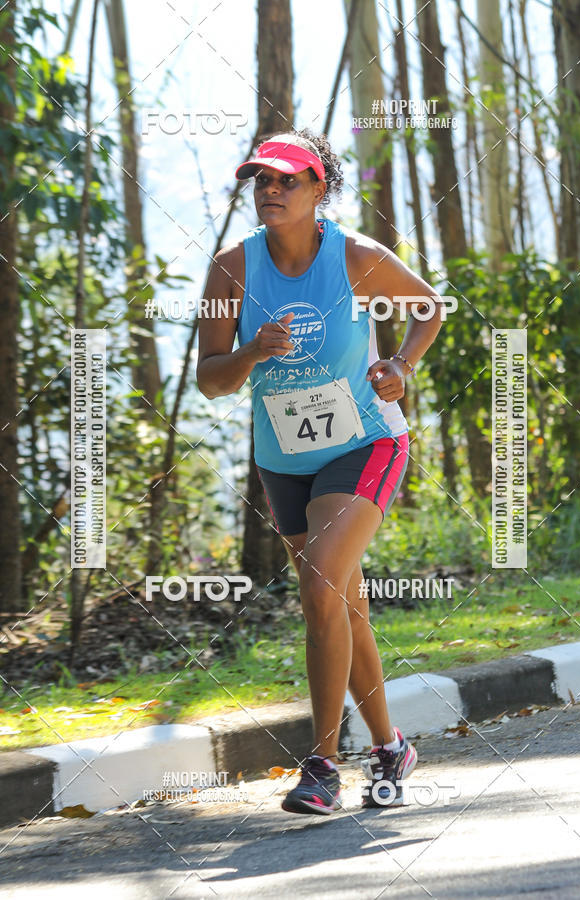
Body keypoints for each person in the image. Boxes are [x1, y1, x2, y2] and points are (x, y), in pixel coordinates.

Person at [196, 128, 443, 815]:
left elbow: (429, 307)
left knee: (320, 583)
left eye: (287, 181)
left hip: (365, 443)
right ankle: (391, 746)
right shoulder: (232, 269)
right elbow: (209, 379)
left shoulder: (356, 257)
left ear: (319, 189)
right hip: (284, 460)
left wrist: (399, 367)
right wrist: (249, 353)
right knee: (341, 600)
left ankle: (323, 764)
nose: (270, 191)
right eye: (261, 181)